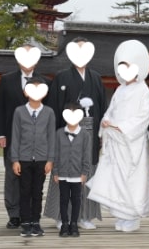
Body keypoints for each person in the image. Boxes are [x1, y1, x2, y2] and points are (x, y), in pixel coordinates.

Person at [87, 39, 149, 232]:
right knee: (116, 179)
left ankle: (132, 217)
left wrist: (121, 127)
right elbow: (111, 110)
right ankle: (121, 215)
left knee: (131, 180)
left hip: (131, 142)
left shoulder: (144, 91)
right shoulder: (119, 90)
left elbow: (143, 116)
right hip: (116, 142)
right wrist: (106, 122)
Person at [44, 36, 107, 230]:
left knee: (87, 172)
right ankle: (62, 216)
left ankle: (84, 216)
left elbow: (102, 107)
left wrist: (101, 134)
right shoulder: (62, 77)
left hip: (90, 131)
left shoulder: (95, 77)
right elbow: (54, 107)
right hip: (67, 132)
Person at [0, 44, 48, 229]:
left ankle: (31, 215)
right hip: (12, 136)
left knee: (33, 178)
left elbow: (48, 112)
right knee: (12, 176)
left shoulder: (44, 81)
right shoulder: (7, 79)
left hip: (36, 139)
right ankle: (14, 214)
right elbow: (1, 108)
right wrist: (0, 133)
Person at [10, 76, 56, 237]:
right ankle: (26, 223)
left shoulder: (49, 112)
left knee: (37, 191)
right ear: (26, 92)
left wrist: (50, 159)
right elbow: (15, 136)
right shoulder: (19, 112)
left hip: (42, 159)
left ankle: (36, 222)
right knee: (24, 191)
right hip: (24, 158)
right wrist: (15, 159)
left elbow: (51, 137)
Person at [53, 102, 92, 237]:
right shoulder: (59, 133)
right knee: (63, 199)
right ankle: (64, 224)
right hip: (63, 173)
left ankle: (74, 224)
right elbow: (56, 153)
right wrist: (56, 171)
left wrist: (84, 172)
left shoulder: (84, 135)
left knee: (76, 199)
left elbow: (86, 155)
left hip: (77, 173)